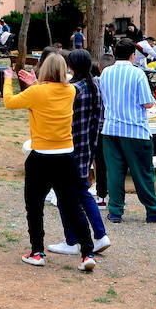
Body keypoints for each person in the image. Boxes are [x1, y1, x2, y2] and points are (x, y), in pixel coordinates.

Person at [2, 51, 97, 271]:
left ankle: (37, 252)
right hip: (66, 157)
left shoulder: (36, 92)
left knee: (34, 206)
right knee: (74, 205)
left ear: (44, 69)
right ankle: (87, 253)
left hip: (41, 158)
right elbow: (53, 93)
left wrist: (8, 80)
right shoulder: (72, 90)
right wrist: (36, 84)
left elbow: (9, 102)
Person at [100, 36, 156, 224]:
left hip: (111, 128)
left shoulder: (106, 73)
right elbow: (148, 103)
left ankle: (115, 210)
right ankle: (154, 210)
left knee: (115, 172)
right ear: (133, 56)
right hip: (134, 130)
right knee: (143, 172)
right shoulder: (138, 74)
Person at [47, 48, 111, 258]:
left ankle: (72, 240)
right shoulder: (97, 85)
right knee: (82, 191)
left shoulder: (74, 89)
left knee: (65, 196)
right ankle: (100, 235)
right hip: (88, 148)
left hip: (68, 148)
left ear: (71, 66)